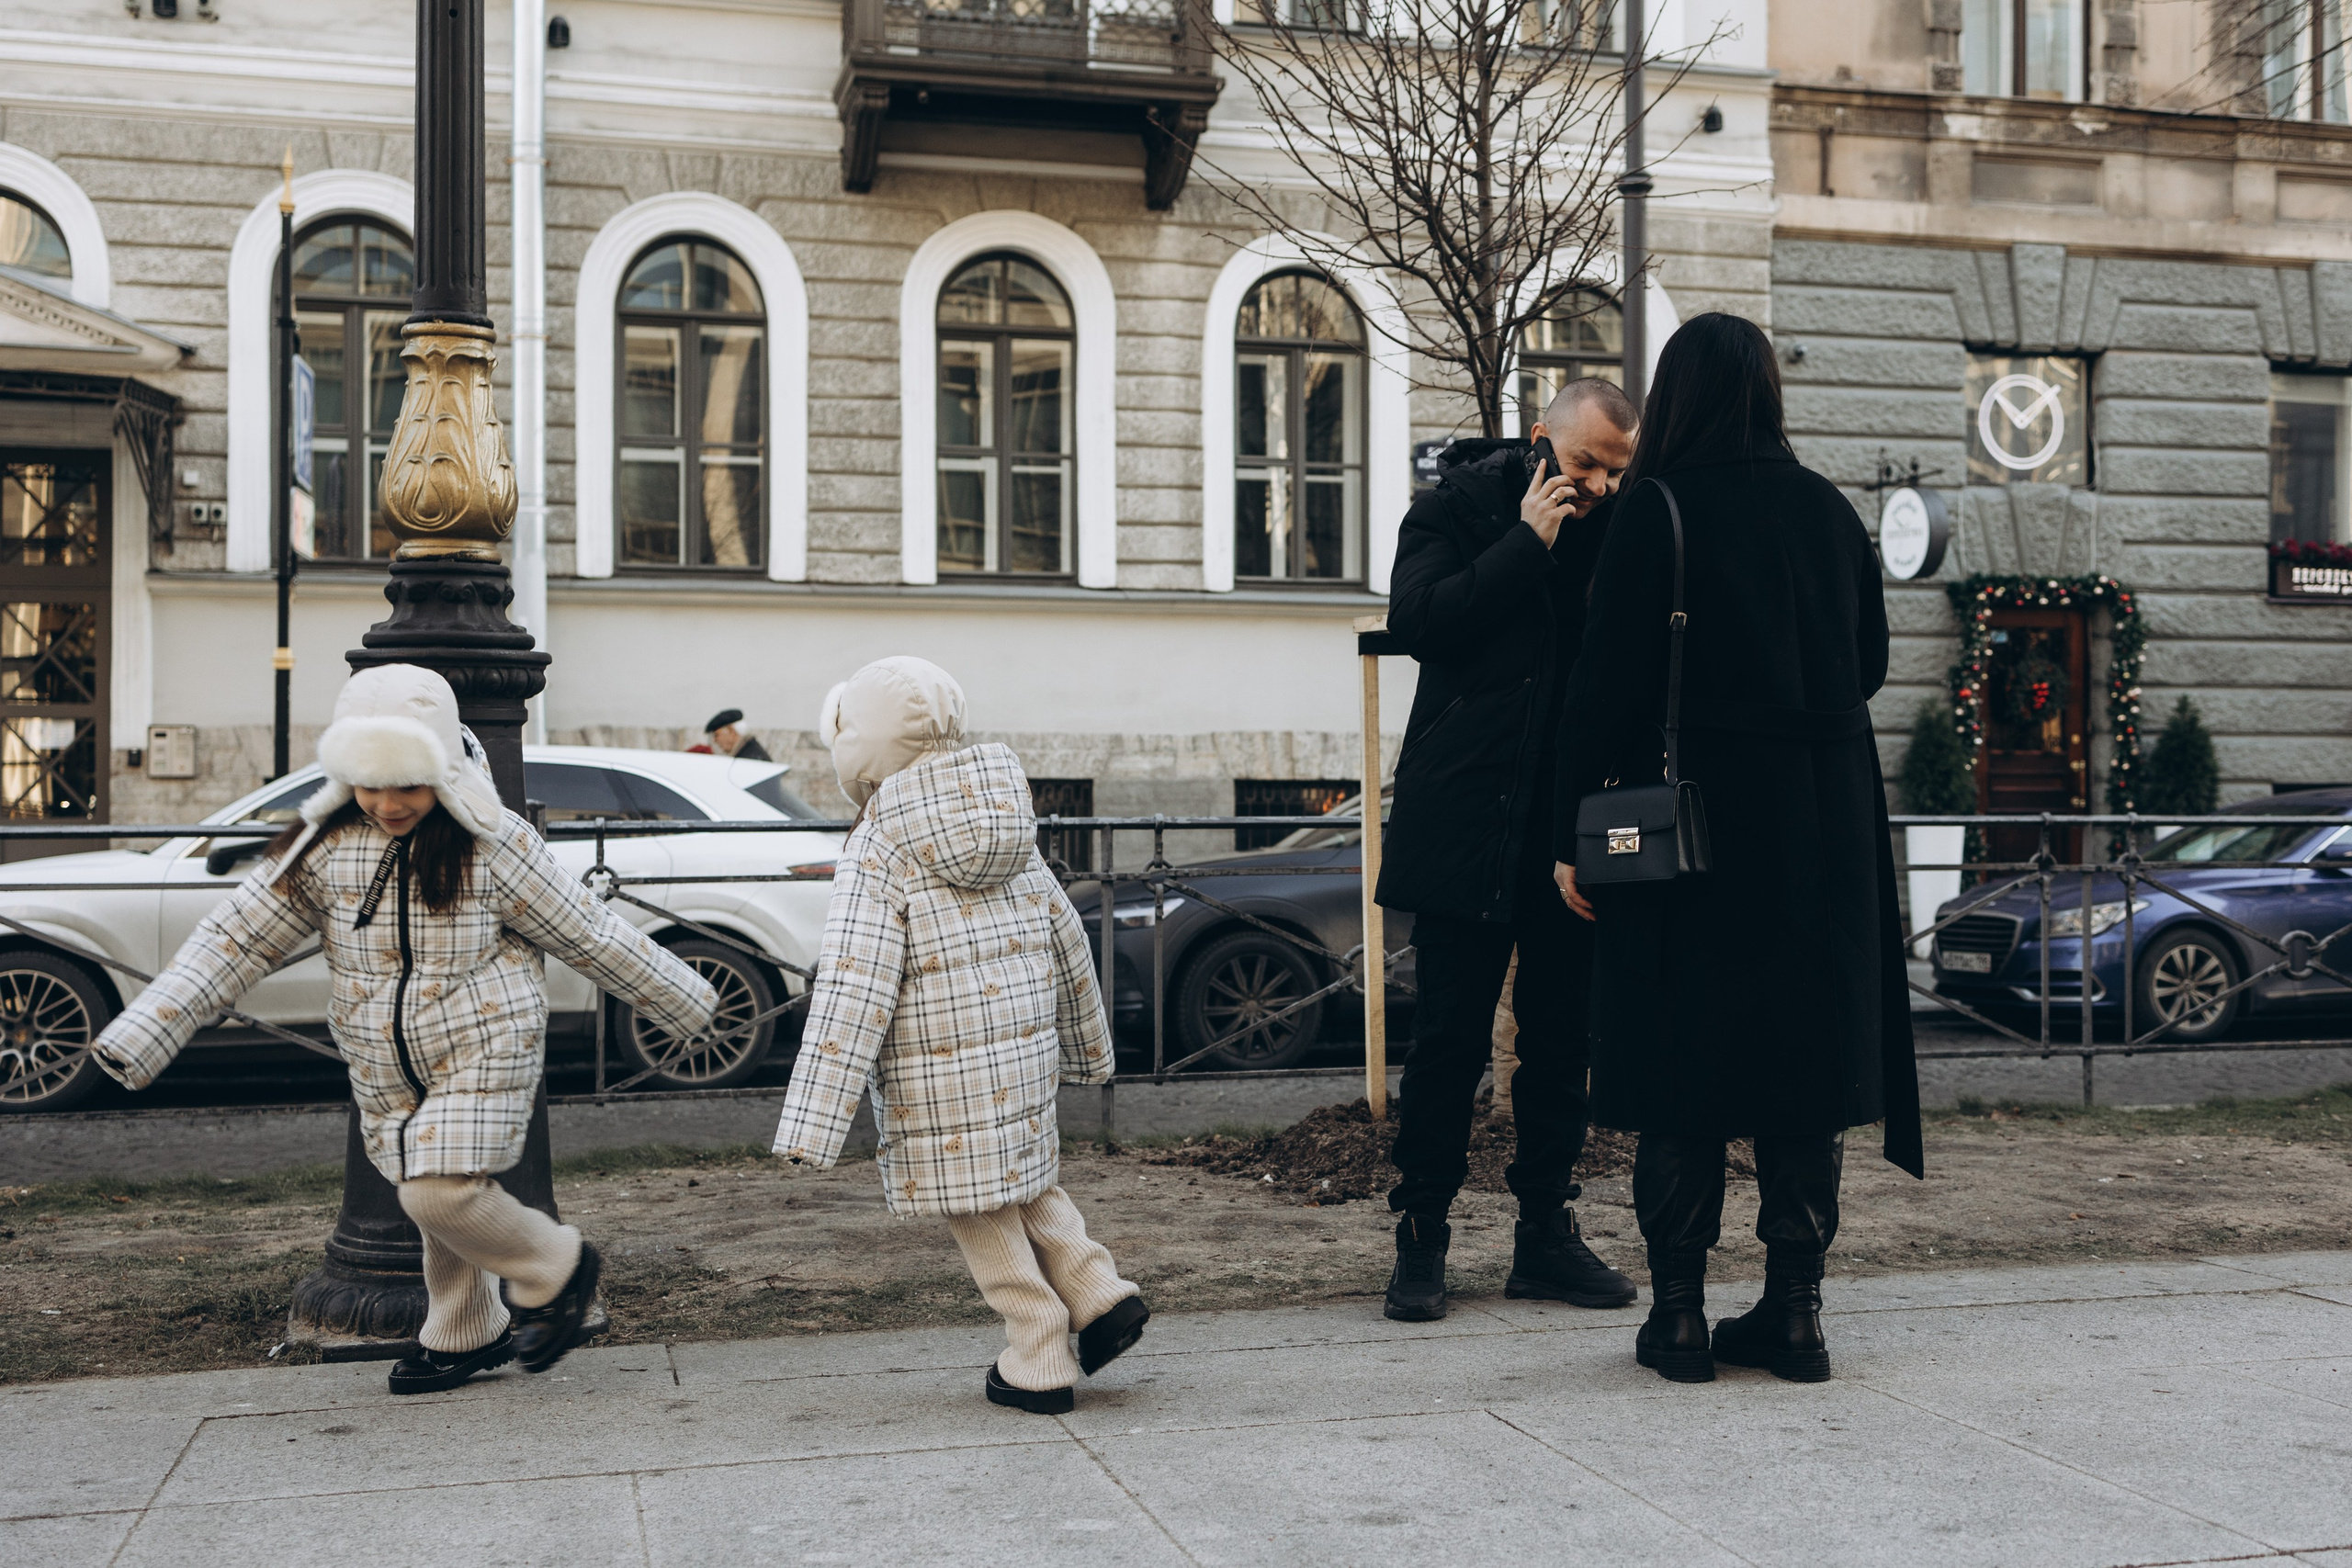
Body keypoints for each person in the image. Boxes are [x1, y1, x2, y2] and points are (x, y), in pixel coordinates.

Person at [88, 665, 719, 1395]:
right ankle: (463, 1330)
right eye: (369, 783)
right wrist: (144, 1031)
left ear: (444, 773)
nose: (387, 804)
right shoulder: (320, 845)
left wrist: (687, 1002)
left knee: (437, 1190)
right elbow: (236, 940)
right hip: (383, 1058)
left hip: (485, 1041)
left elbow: (587, 932)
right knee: (434, 1184)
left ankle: (558, 1266)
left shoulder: (492, 841)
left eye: (409, 785)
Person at [1550, 313, 1923, 1385]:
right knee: (1805, 1065)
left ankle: (1676, 1318)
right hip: (1820, 830)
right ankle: (1795, 1315)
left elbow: (1602, 691)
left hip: (1689, 841)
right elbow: (1865, 665)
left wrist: (1571, 835)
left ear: (1675, 397)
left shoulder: (1655, 511)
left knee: (1680, 1061)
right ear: (1766, 393)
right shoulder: (1827, 511)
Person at [772, 655, 1148, 1414]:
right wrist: (1087, 1048)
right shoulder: (1002, 817)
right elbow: (1065, 934)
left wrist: (812, 1121)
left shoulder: (879, 842)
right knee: (1021, 1176)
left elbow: (854, 981)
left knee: (976, 1201)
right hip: (1022, 1049)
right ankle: (1098, 1290)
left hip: (936, 1069)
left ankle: (1037, 1346)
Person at [1374, 377, 1641, 1322]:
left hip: (1565, 832)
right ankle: (1421, 1235)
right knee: (1446, 1040)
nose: (1600, 487)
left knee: (1560, 1042)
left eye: (1616, 471)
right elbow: (1419, 624)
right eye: (1584, 466)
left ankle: (1544, 1236)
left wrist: (1593, 826)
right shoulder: (1451, 510)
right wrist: (1525, 544)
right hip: (1461, 817)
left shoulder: (1618, 531)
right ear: (1540, 444)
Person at [690, 707, 771, 761]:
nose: (714, 740)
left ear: (731, 730)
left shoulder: (750, 758)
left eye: (717, 735)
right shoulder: (746, 752)